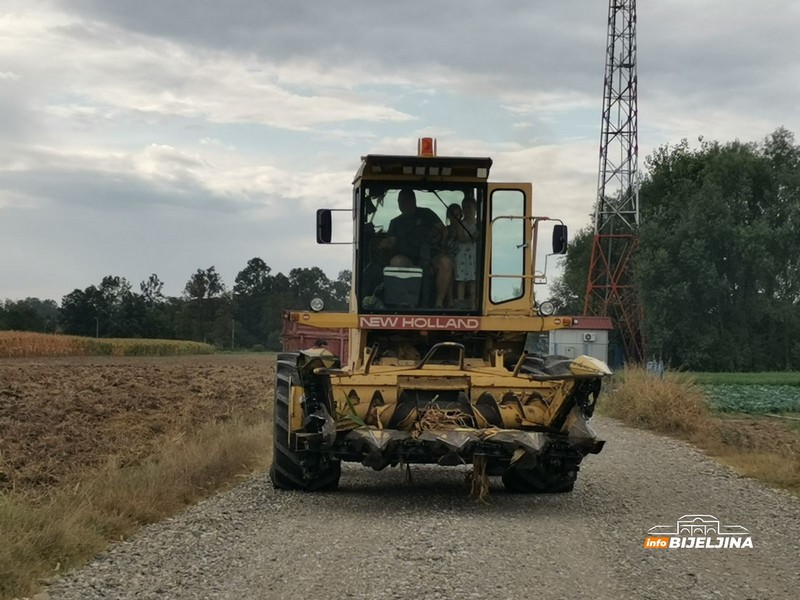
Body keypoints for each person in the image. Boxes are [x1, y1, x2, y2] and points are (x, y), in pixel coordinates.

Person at [378, 188, 454, 308]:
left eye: (404, 201)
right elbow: (391, 241)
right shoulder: (396, 222)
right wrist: (385, 243)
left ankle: (439, 304)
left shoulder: (427, 214)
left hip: (432, 256)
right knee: (396, 262)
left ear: (413, 200)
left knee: (445, 262)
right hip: (409, 260)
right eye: (400, 201)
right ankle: (405, 304)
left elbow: (442, 230)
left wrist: (438, 235)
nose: (401, 204)